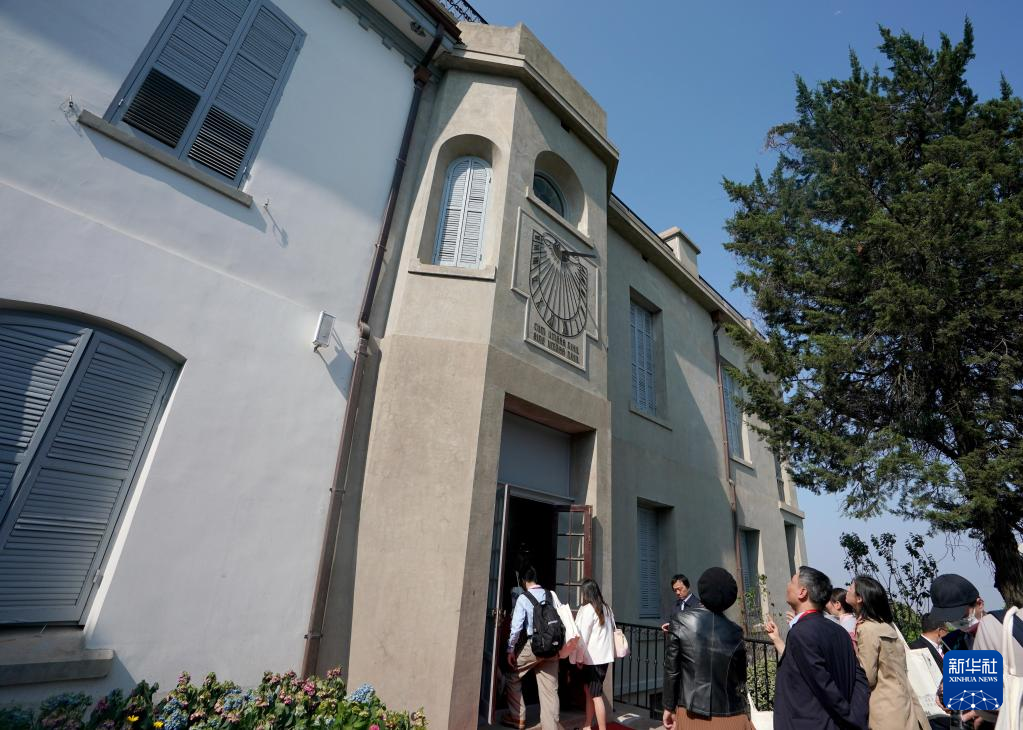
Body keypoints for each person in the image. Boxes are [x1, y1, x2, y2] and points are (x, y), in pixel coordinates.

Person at [772, 566, 869, 730]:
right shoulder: (840, 631)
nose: (787, 585)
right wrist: (856, 716)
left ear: (802, 592)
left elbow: (823, 685)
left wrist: (850, 717)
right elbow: (859, 678)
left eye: (792, 582)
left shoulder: (801, 633)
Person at [662, 567, 754, 729]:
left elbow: (672, 670)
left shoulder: (680, 621)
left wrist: (669, 706)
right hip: (731, 712)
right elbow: (741, 677)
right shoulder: (736, 632)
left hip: (692, 711)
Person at [929, 574, 1023, 729]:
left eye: (961, 616)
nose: (957, 622)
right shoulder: (954, 643)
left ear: (980, 604)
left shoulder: (1008, 630)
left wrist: (977, 710)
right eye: (951, 619)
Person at [846, 575, 929, 730]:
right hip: (904, 701)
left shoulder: (867, 629)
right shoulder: (886, 625)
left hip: (885, 707)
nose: (847, 590)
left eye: (851, 587)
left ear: (859, 598)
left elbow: (867, 676)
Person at [503, 566, 565, 730]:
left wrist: (510, 649)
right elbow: (562, 617)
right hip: (552, 647)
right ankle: (551, 726)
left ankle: (517, 717)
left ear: (524, 581)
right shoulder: (551, 594)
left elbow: (516, 628)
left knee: (512, 675)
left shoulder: (523, 598)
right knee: (550, 689)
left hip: (534, 647)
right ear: (536, 579)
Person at [572, 578, 614, 730]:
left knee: (595, 695)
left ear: (586, 593)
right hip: (603, 657)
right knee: (590, 693)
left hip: (592, 659)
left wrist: (578, 657)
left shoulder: (588, 609)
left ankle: (599, 728)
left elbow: (583, 637)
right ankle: (587, 725)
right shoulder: (606, 608)